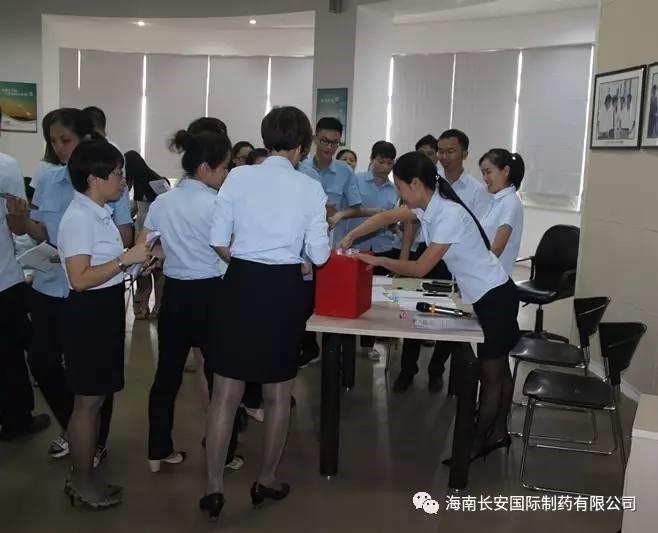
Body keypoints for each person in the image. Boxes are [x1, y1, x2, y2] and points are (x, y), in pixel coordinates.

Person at [341, 151, 520, 463]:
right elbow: (385, 217)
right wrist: (352, 235)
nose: (399, 195)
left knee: (492, 375)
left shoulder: (448, 214)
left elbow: (420, 268)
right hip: (488, 294)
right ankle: (497, 433)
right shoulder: (428, 207)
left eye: (400, 187)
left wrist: (378, 260)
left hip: (495, 297)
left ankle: (478, 443)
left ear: (415, 184)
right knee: (498, 372)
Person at [201, 106, 330, 522]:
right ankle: (266, 479)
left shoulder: (238, 177)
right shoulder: (309, 188)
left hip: (240, 284)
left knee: (225, 393)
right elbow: (320, 256)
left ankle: (214, 487)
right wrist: (298, 259)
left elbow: (218, 239)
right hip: (283, 291)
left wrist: (245, 258)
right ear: (303, 146)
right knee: (277, 395)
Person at [6, 108, 132, 464]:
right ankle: (75, 428)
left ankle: (94, 440)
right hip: (52, 285)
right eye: (53, 141)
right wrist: (21, 221)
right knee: (44, 362)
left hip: (93, 288)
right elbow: (40, 231)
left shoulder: (107, 183)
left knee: (96, 375)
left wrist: (112, 252)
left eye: (66, 139)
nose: (59, 148)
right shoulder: (49, 181)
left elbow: (122, 236)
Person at [139, 127, 246, 474]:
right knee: (220, 379)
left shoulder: (163, 202)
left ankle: (157, 450)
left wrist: (161, 251)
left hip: (174, 295)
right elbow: (232, 249)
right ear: (205, 168)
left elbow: (145, 246)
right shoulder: (217, 204)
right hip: (212, 295)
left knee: (166, 376)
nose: (226, 174)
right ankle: (224, 453)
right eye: (224, 167)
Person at [57, 139, 149, 509]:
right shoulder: (79, 218)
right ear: (94, 178)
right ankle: (81, 482)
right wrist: (126, 259)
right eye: (117, 173)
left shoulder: (99, 213)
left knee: (95, 401)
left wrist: (138, 261)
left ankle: (83, 477)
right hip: (88, 314)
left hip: (104, 309)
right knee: (88, 403)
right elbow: (79, 278)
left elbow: (106, 267)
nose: (123, 180)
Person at [393, 129, 492, 393]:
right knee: (415, 310)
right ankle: (407, 370)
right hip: (427, 252)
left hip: (454, 261)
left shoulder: (475, 191)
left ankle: (436, 370)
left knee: (450, 315)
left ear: (464, 154)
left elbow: (479, 232)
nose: (444, 156)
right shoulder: (428, 180)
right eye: (441, 151)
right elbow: (406, 217)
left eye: (451, 151)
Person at [0, 119, 51, 441]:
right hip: (4, 278)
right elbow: (18, 226)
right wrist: (20, 215)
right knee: (9, 355)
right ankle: (16, 420)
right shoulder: (6, 165)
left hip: (5, 276)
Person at [349, 141, 399, 360]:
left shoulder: (394, 189)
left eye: (389, 163)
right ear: (371, 159)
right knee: (353, 294)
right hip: (357, 246)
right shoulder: (356, 180)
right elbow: (349, 210)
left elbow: (393, 219)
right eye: (381, 161)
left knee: (375, 297)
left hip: (383, 247)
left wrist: (394, 226)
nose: (385, 167)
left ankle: (368, 343)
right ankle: (348, 339)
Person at [124, 150, 166, 319]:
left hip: (154, 233)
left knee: (155, 271)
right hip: (144, 232)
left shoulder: (156, 181)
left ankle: (153, 307)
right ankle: (149, 306)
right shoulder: (141, 182)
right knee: (145, 271)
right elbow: (137, 208)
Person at [479, 149, 525, 275]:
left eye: (488, 172)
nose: (485, 178)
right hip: (486, 272)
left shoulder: (510, 202)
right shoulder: (496, 201)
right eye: (483, 173)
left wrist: (476, 268)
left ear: (506, 171)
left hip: (494, 276)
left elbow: (497, 248)